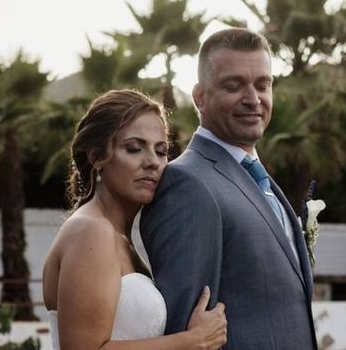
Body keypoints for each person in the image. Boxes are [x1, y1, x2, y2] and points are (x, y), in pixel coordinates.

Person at [141, 28, 318, 349]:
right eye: (234, 86)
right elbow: (186, 329)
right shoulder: (187, 185)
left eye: (262, 85)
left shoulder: (261, 181)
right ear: (199, 97)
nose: (253, 99)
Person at [42, 89, 228, 350]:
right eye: (134, 148)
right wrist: (193, 341)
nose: (153, 162)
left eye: (161, 151)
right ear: (96, 157)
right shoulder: (90, 230)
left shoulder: (118, 237)